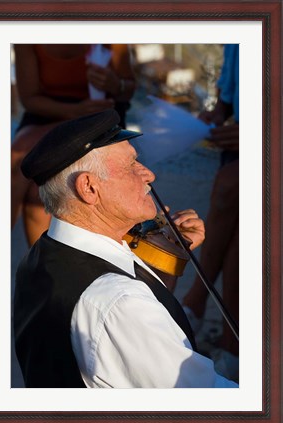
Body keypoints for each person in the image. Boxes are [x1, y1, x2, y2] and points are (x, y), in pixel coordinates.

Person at [13, 108, 238, 388]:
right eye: (132, 165)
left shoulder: (42, 254)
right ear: (89, 188)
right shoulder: (119, 303)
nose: (149, 175)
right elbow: (211, 401)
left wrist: (169, 259)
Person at [11, 44, 136, 246]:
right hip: (49, 112)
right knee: (18, 162)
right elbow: (30, 99)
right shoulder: (28, 35)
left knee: (35, 187)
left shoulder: (109, 33)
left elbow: (128, 88)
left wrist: (115, 84)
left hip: (100, 115)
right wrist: (75, 111)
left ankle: (34, 268)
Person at [182, 44, 239, 381]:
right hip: (239, 141)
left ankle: (196, 299)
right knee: (239, 228)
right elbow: (229, 90)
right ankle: (232, 344)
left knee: (230, 186)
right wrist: (217, 112)